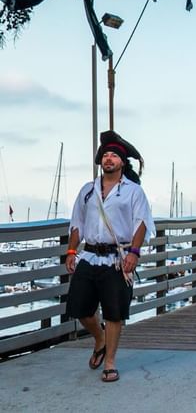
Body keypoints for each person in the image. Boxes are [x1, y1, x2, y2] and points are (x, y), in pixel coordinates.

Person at [65, 131, 155, 383]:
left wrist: (135, 253)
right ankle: (100, 338)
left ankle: (110, 362)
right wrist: (72, 251)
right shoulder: (87, 190)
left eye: (114, 155)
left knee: (114, 313)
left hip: (117, 258)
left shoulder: (133, 191)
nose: (109, 159)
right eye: (105, 155)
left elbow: (142, 224)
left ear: (122, 162)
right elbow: (76, 224)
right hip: (90, 256)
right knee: (80, 308)